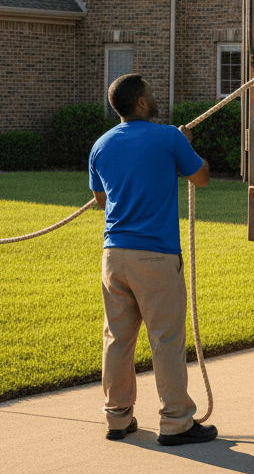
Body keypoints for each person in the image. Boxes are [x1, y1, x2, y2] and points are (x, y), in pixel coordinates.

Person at [89, 73, 217, 446]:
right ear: (141, 103)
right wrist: (185, 147)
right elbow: (203, 177)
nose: (155, 96)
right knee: (165, 339)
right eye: (151, 93)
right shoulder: (169, 137)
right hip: (156, 257)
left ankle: (117, 418)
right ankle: (176, 421)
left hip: (113, 256)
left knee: (117, 339)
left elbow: (102, 202)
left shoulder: (100, 145)